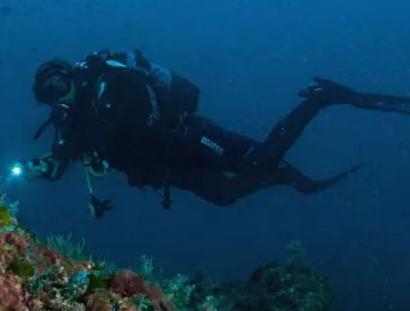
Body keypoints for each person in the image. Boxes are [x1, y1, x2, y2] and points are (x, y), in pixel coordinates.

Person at [27, 49, 410, 218]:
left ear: (71, 78)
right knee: (226, 196)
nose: (56, 100)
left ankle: (322, 98)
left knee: (256, 160)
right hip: (167, 168)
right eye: (48, 98)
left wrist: (64, 151)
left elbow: (104, 129)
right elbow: (72, 155)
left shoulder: (107, 85)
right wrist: (46, 166)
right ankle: (286, 176)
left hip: (187, 137)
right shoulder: (73, 122)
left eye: (57, 89)